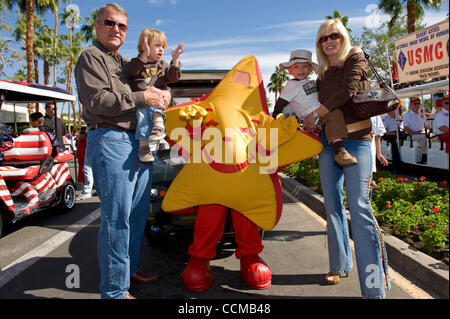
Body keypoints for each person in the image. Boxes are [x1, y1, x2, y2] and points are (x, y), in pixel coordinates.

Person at [74, 3, 171, 299]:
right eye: (110, 23)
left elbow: (153, 84)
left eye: (122, 26)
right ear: (97, 25)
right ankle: (115, 291)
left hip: (137, 141)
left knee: (138, 214)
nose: (116, 29)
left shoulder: (123, 63)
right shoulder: (91, 57)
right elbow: (98, 101)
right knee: (117, 219)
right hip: (110, 138)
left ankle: (127, 272)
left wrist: (165, 94)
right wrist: (144, 96)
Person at [309, 18, 390, 299]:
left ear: (343, 36)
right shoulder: (321, 74)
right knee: (331, 206)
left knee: (359, 208)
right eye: (323, 38)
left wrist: (318, 111)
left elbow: (349, 91)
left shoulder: (356, 55)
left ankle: (373, 290)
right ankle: (339, 264)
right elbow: (326, 104)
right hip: (327, 144)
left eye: (334, 35)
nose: (329, 41)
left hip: (358, 143)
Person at [272, 49, 355, 166]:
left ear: (310, 69)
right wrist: (275, 117)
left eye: (304, 66)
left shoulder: (312, 82)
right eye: (296, 67)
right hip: (312, 117)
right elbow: (281, 102)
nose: (300, 70)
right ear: (290, 70)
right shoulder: (291, 85)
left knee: (335, 115)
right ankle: (339, 150)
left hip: (321, 113)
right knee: (334, 114)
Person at [127, 29, 184, 162]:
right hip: (142, 103)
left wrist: (175, 60)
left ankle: (158, 126)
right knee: (142, 118)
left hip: (157, 102)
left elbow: (172, 77)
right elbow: (129, 71)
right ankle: (144, 148)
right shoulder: (137, 63)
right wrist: (144, 56)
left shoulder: (162, 65)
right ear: (144, 46)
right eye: (157, 46)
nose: (161, 50)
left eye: (163, 47)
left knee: (155, 108)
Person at [402, 97, 427, 162]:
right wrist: (418, 133)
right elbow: (406, 128)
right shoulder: (407, 115)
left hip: (421, 132)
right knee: (423, 137)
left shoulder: (422, 114)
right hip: (411, 135)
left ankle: (432, 156)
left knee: (432, 137)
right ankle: (424, 155)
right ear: (410, 105)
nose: (417, 105)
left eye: (418, 103)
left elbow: (426, 126)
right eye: (414, 104)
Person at [75, 127, 94, 200]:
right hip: (90, 145)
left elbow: (85, 136)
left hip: (89, 145)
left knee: (87, 169)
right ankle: (89, 191)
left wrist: (81, 136)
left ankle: (87, 192)